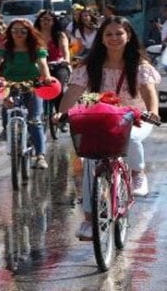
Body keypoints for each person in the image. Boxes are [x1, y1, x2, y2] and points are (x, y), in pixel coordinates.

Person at [55, 16, 160, 240]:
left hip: (134, 119)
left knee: (130, 137)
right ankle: (88, 220)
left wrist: (153, 112)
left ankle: (137, 173)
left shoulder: (140, 66)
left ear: (128, 36)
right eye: (108, 34)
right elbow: (72, 93)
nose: (114, 38)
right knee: (89, 162)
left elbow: (150, 95)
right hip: (99, 119)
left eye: (119, 33)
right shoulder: (88, 66)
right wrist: (61, 113)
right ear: (101, 38)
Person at [0, 18, 51, 170]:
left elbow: (43, 66)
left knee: (34, 120)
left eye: (23, 31)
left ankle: (40, 156)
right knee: (8, 108)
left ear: (29, 32)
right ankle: (8, 130)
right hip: (9, 84)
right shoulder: (5, 47)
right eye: (14, 30)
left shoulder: (37, 48)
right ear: (9, 32)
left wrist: (46, 78)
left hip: (32, 85)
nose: (18, 34)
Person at [34, 10, 71, 122]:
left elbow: (65, 50)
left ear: (54, 21)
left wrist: (66, 60)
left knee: (58, 86)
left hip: (58, 64)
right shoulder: (34, 35)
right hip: (39, 65)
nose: (46, 22)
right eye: (43, 19)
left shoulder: (60, 35)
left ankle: (61, 115)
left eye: (49, 19)